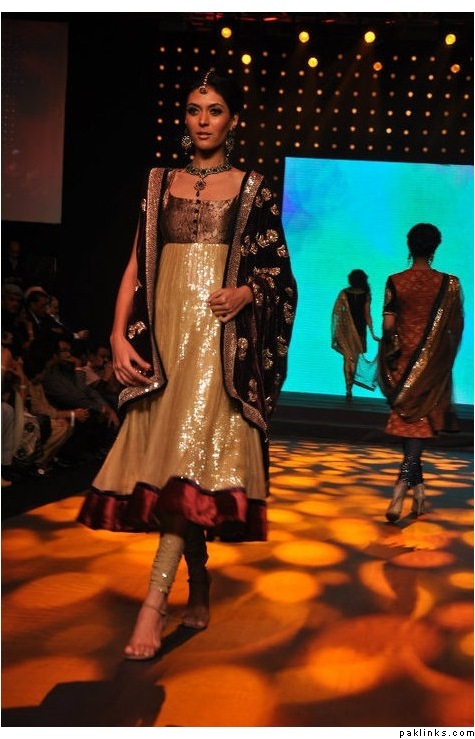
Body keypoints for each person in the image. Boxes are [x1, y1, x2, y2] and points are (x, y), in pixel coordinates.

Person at [77, 68, 297, 660]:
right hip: (165, 338)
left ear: (234, 120)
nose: (203, 120)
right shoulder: (158, 182)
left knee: (187, 461)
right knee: (178, 471)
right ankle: (198, 579)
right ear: (185, 117)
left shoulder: (253, 189)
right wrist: (117, 335)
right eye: (195, 109)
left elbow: (279, 274)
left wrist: (247, 292)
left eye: (215, 110)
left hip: (219, 346)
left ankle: (154, 603)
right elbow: (135, 265)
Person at [378, 223, 464, 522]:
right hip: (432, 369)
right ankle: (416, 492)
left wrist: (391, 348)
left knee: (410, 428)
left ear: (409, 246)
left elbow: (389, 326)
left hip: (402, 367)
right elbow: (454, 328)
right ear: (435, 247)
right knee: (418, 429)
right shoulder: (449, 284)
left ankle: (402, 488)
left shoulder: (396, 281)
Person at [331, 269, 379, 399]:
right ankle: (349, 387)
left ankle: (348, 388)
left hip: (344, 331)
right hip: (359, 331)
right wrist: (372, 333)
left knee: (347, 358)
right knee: (354, 359)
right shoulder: (366, 294)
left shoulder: (344, 293)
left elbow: (336, 312)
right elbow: (367, 315)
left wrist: (338, 329)